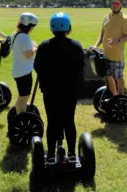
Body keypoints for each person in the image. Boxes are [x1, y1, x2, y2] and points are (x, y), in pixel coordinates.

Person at [34, 12, 84, 165]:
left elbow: (37, 67)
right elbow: (81, 67)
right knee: (69, 120)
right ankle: (72, 154)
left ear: (52, 27)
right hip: (70, 92)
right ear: (68, 27)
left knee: (52, 121)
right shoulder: (76, 46)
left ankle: (49, 155)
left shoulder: (43, 46)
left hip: (50, 91)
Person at [92, 0, 127, 96]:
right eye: (113, 3)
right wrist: (96, 45)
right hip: (106, 54)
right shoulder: (106, 17)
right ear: (110, 3)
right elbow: (102, 34)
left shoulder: (124, 19)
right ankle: (114, 96)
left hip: (117, 56)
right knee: (108, 76)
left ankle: (121, 96)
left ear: (121, 4)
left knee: (118, 77)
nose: (115, 5)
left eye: (118, 3)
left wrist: (117, 41)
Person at [11, 12, 38, 115]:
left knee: (21, 96)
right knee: (24, 97)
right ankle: (21, 117)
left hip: (18, 70)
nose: (32, 29)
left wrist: (31, 45)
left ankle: (18, 115)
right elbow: (28, 54)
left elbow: (22, 48)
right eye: (32, 27)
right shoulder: (24, 37)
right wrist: (35, 47)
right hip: (24, 72)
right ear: (28, 26)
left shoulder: (15, 34)